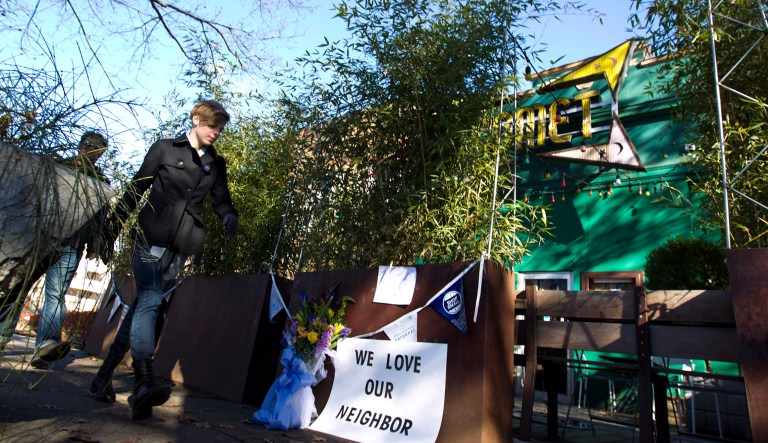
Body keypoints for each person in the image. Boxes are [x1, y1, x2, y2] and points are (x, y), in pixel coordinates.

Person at [90, 99, 238, 420]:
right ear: (196, 119)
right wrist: (112, 229)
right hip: (149, 237)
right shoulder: (165, 149)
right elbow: (136, 188)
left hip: (180, 247)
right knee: (151, 304)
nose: (217, 132)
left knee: (145, 308)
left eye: (221, 129)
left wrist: (229, 215)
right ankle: (143, 379)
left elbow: (221, 200)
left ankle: (103, 380)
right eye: (213, 125)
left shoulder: (216, 163)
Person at [0, 131, 110, 367]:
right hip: (44, 238)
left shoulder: (100, 181)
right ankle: (1, 335)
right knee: (19, 287)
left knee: (56, 295)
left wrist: (94, 246)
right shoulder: (59, 166)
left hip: (72, 245)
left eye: (97, 148)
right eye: (89, 145)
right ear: (81, 145)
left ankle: (45, 347)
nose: (92, 150)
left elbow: (99, 217)